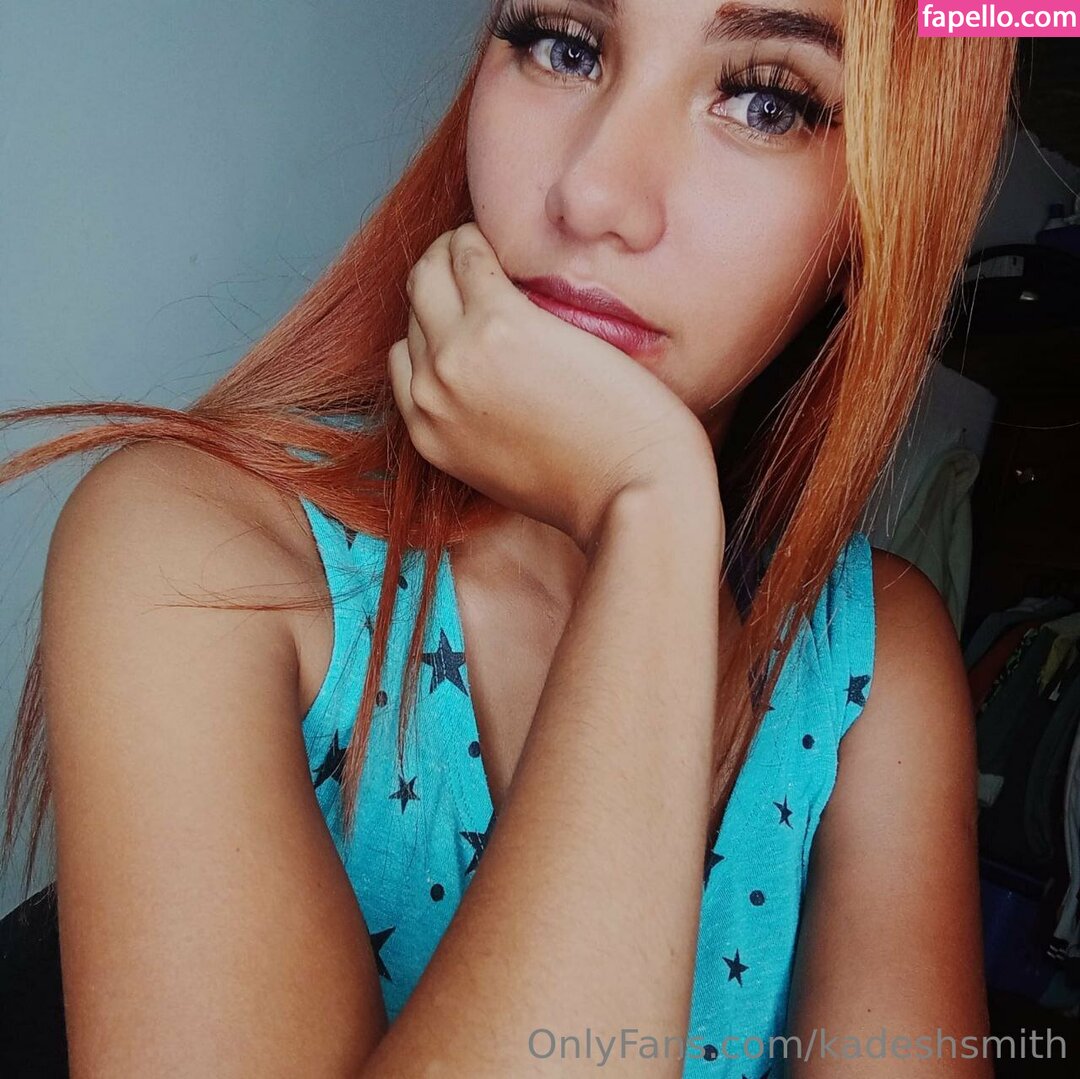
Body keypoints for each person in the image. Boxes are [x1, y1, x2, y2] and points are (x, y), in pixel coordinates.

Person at [0, 1, 1016, 1075]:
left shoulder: (869, 665)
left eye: (767, 102)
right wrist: (651, 511)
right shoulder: (199, 553)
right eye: (565, 46)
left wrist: (649, 525)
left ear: (876, 213)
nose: (593, 192)